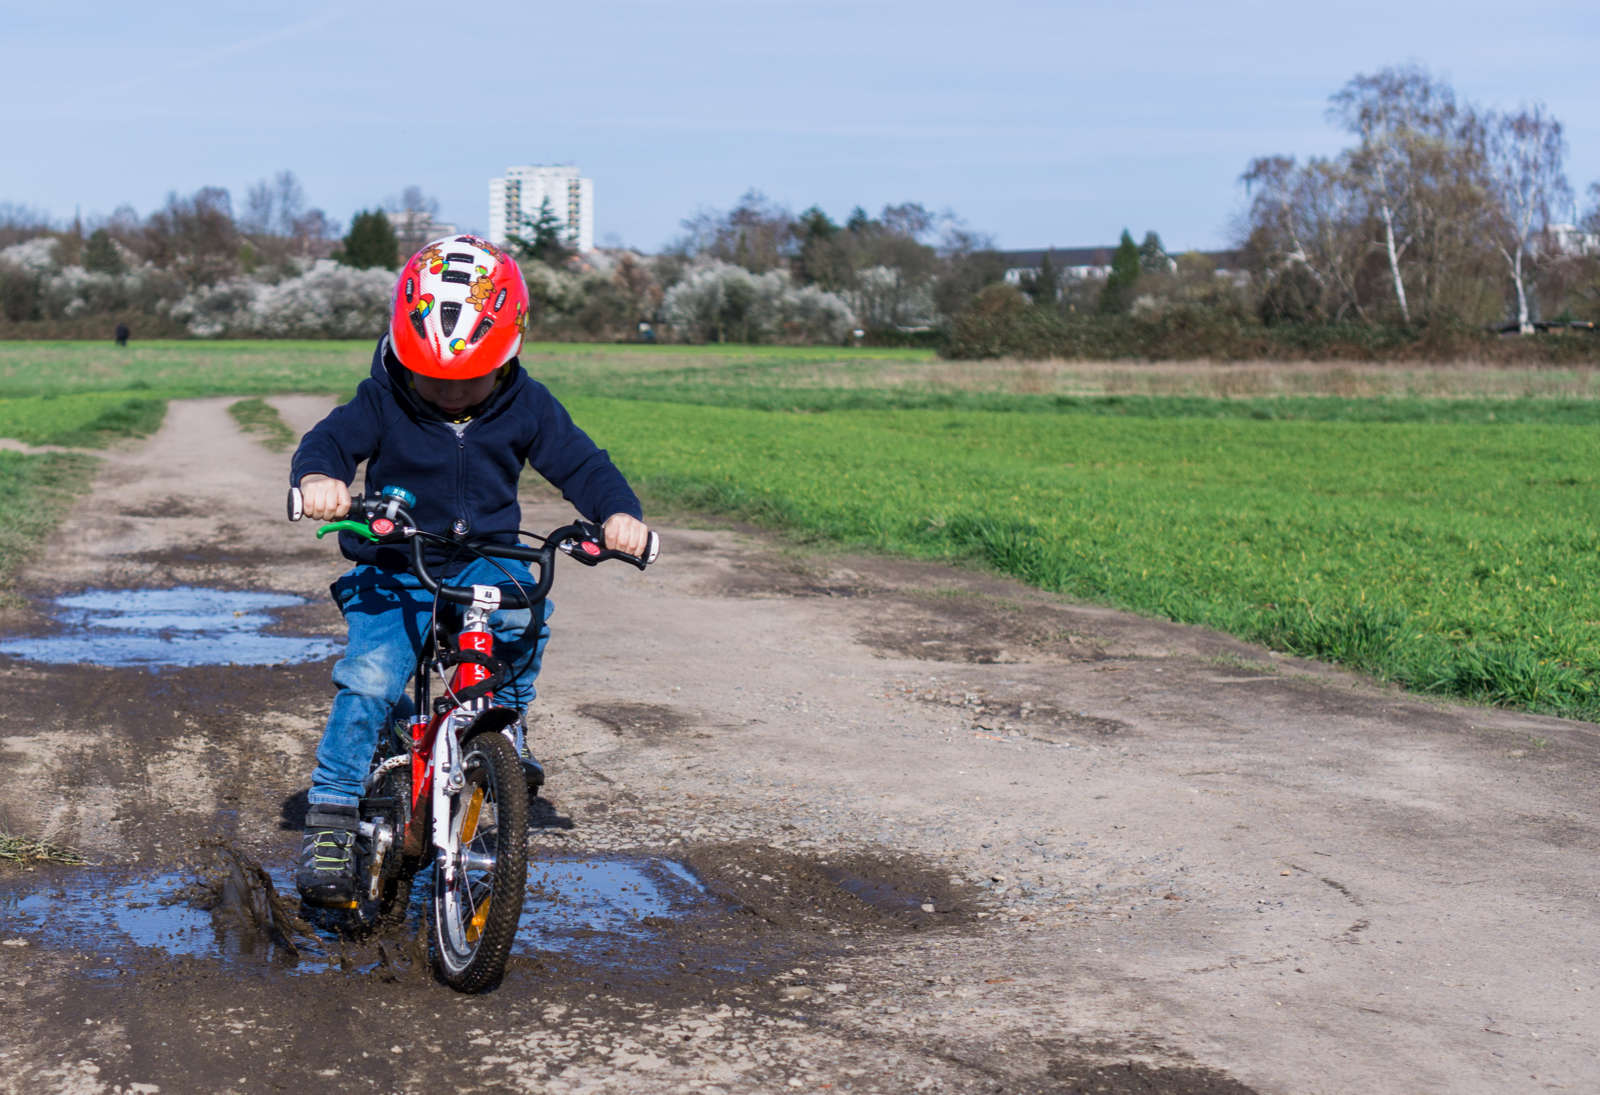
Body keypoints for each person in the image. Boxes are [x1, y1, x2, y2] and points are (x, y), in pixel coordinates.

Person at [289, 235, 651, 908]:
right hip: (399, 558)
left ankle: (501, 726)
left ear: (509, 356)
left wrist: (617, 514)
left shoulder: (527, 404)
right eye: (433, 379)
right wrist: (320, 479)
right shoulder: (383, 398)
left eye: (470, 380)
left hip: (488, 554)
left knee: (524, 606)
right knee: (371, 677)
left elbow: (581, 463)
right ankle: (333, 811)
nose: (451, 394)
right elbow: (329, 441)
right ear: (400, 352)